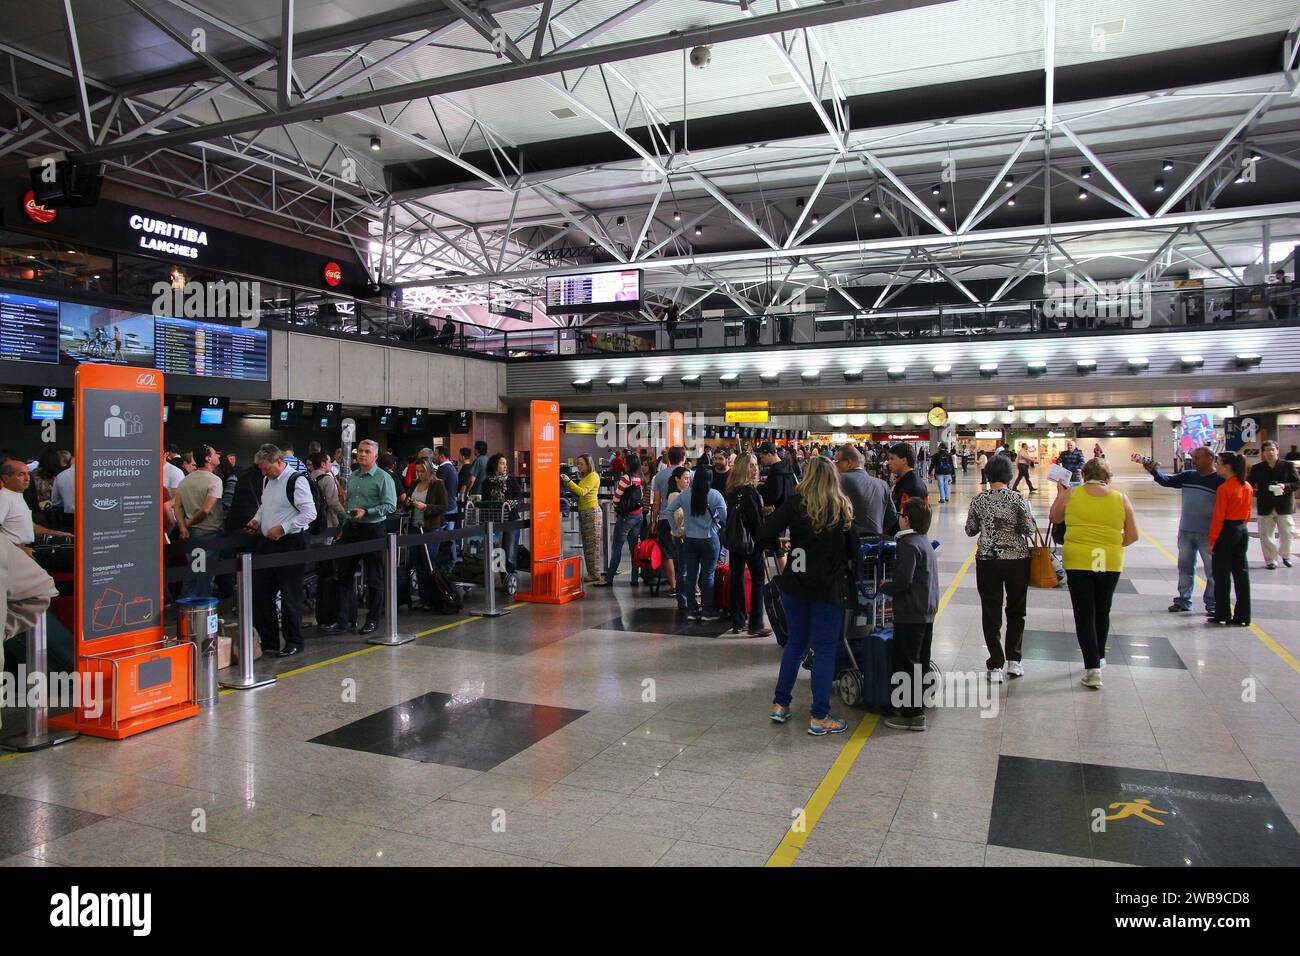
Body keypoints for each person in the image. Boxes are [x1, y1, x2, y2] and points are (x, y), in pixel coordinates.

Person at [760, 456, 854, 736]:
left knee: (795, 645)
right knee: (824, 650)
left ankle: (780, 704)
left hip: (796, 586)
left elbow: (764, 533)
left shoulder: (794, 505)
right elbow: (852, 550)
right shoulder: (842, 508)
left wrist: (786, 544)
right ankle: (819, 716)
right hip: (828, 589)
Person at [1049, 457, 1139, 689]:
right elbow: (1132, 535)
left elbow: (1054, 517)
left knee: (1084, 613)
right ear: (1108, 477)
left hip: (1078, 559)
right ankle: (1099, 657)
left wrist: (1061, 493)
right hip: (1108, 560)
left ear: (1084, 475)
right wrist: (1111, 544)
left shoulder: (1073, 495)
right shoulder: (1121, 498)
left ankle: (1092, 669)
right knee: (1102, 610)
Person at [965, 453, 1037, 682]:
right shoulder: (1017, 499)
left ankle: (995, 664)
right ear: (1009, 475)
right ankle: (1014, 661)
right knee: (1016, 609)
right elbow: (1029, 530)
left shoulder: (979, 500)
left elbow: (970, 530)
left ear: (988, 474)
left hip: (987, 561)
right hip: (1017, 561)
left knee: (991, 610)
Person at [320, 439, 397, 637]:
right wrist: (344, 525)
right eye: (360, 451)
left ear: (375, 456)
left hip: (373, 529)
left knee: (374, 578)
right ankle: (343, 619)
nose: (362, 455)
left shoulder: (383, 477)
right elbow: (347, 506)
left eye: (367, 452)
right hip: (352, 529)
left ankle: (372, 619)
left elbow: (390, 506)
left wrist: (368, 511)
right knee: (343, 576)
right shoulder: (353, 476)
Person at [246, 444, 317, 658]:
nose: (262, 472)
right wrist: (257, 520)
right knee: (262, 593)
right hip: (268, 543)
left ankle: (294, 640)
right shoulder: (268, 480)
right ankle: (269, 641)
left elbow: (309, 513)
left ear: (278, 461)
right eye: (260, 468)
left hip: (291, 542)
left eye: (265, 467)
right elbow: (265, 506)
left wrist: (283, 528)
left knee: (289, 595)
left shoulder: (297, 480)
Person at [1136, 447, 1222, 615]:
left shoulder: (1219, 481)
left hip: (1208, 533)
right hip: (1186, 531)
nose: (1194, 460)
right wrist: (1153, 471)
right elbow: (1167, 481)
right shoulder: (1190, 475)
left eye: (1197, 457)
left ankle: (1212, 602)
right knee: (1185, 568)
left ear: (1210, 459)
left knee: (1212, 571)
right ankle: (1183, 600)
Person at [882, 498, 940, 732]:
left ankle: (912, 714)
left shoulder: (907, 544)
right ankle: (921, 702)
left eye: (901, 514)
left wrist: (885, 586)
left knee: (906, 662)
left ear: (907, 519)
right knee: (921, 660)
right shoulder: (923, 541)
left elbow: (903, 580)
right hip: (925, 611)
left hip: (910, 612)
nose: (899, 517)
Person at [669, 466, 727, 622]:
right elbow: (725, 517)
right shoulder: (715, 495)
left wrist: (676, 530)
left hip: (690, 540)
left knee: (690, 576)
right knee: (708, 576)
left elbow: (669, 511)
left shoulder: (685, 495)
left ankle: (692, 610)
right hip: (710, 539)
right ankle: (707, 611)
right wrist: (716, 525)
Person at [723, 453, 769, 637]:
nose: (755, 468)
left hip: (735, 541)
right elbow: (755, 522)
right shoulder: (749, 491)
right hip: (750, 542)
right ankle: (756, 624)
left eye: (756, 464)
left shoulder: (733, 490)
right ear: (743, 468)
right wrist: (765, 541)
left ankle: (738, 621)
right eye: (751, 465)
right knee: (758, 580)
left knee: (737, 579)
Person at [174, 444, 225, 598]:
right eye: (215, 454)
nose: (218, 456)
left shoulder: (185, 481)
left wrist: (183, 527)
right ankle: (201, 614)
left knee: (192, 574)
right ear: (208, 458)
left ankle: (188, 614)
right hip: (208, 534)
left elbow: (178, 507)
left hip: (190, 534)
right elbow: (205, 510)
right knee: (204, 577)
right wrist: (189, 523)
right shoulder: (215, 481)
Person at [1209, 452, 1253, 626]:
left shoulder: (1225, 488)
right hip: (1242, 530)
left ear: (1227, 467)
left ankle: (1222, 614)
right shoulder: (1246, 486)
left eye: (1218, 463)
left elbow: (1218, 517)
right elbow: (1248, 513)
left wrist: (1212, 541)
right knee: (1241, 574)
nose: (1216, 466)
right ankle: (1243, 615)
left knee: (1221, 574)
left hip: (1226, 531)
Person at [1247, 440, 1297, 570]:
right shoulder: (1257, 468)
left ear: (1277, 451)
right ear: (1263, 453)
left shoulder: (1288, 466)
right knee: (1265, 534)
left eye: (1272, 449)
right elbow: (1249, 484)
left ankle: (1285, 555)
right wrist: (1258, 493)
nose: (1270, 452)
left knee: (1287, 532)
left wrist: (1284, 486)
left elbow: (1296, 483)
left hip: (1284, 505)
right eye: (1267, 450)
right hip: (1265, 504)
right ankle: (1271, 560)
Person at [406, 459, 449, 610]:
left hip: (431, 528)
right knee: (417, 563)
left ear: (429, 470)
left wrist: (426, 507)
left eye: (422, 471)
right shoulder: (414, 484)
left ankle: (432, 598)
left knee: (428, 563)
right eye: (417, 471)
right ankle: (423, 598)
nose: (420, 474)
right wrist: (408, 503)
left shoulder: (438, 484)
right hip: (415, 527)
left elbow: (444, 506)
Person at [599, 455, 646, 587]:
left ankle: (609, 578)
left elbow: (617, 497)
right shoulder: (639, 478)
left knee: (617, 547)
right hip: (638, 516)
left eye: (625, 463)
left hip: (626, 517)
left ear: (629, 464)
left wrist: (616, 508)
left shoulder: (626, 478)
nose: (623, 465)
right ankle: (634, 578)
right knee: (634, 548)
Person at [0, 459, 71, 545]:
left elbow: (31, 527)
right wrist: (19, 549)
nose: (27, 478)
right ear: (6, 478)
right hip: (16, 553)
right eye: (21, 475)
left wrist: (58, 534)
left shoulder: (17, 495)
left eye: (28, 473)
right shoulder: (4, 498)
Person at [480, 452, 523, 584]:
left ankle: (510, 573)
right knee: (495, 548)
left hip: (511, 519)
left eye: (505, 464)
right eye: (502, 463)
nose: (505, 466)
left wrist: (511, 503)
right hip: (494, 520)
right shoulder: (487, 482)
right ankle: (497, 575)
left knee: (509, 548)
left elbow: (519, 496)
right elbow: (485, 500)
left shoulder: (510, 480)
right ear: (495, 465)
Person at [835, 444, 896, 536]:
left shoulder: (839, 480)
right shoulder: (882, 484)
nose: (834, 465)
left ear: (848, 462)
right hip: (876, 542)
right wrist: (875, 531)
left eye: (837, 461)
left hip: (850, 543)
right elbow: (892, 516)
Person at [651, 446, 688, 596]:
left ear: (668, 458)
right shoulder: (689, 474)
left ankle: (673, 585)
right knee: (685, 554)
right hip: (684, 520)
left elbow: (656, 501)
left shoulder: (659, 476)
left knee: (667, 553)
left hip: (665, 518)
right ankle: (686, 585)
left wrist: (654, 521)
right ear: (683, 458)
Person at [565, 454, 603, 582]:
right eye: (578, 463)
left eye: (581, 463)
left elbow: (582, 491)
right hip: (585, 511)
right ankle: (592, 573)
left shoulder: (593, 476)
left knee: (593, 546)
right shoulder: (585, 477)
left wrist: (569, 482)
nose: (579, 466)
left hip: (591, 513)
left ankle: (595, 573)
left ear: (588, 464)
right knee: (587, 546)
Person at [663, 466, 691, 606]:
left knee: (684, 567)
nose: (688, 481)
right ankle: (682, 598)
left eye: (688, 478)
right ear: (676, 479)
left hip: (684, 535)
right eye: (685, 478)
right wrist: (678, 530)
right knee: (683, 568)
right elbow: (676, 516)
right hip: (681, 536)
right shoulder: (675, 495)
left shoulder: (684, 494)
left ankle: (684, 597)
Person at [886, 442, 928, 532]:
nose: (888, 462)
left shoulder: (912, 486)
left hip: (905, 538)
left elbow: (914, 520)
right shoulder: (903, 482)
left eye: (892, 458)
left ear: (904, 460)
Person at [432, 446, 461, 566]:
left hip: (445, 509)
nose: (434, 457)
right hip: (452, 506)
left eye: (435, 454)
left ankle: (437, 564)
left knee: (439, 537)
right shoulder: (452, 468)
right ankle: (451, 562)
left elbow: (436, 488)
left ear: (442, 456)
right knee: (450, 537)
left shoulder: (443, 469)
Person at [309, 451, 346, 533]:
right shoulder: (327, 479)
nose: (331, 464)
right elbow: (333, 502)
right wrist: (345, 516)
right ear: (323, 464)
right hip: (327, 521)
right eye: (329, 462)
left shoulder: (309, 477)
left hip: (312, 521)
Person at [758, 442, 796, 515]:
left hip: (780, 513)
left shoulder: (776, 472)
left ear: (769, 455)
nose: (762, 460)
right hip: (789, 510)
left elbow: (774, 495)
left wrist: (758, 487)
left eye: (762, 457)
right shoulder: (786, 467)